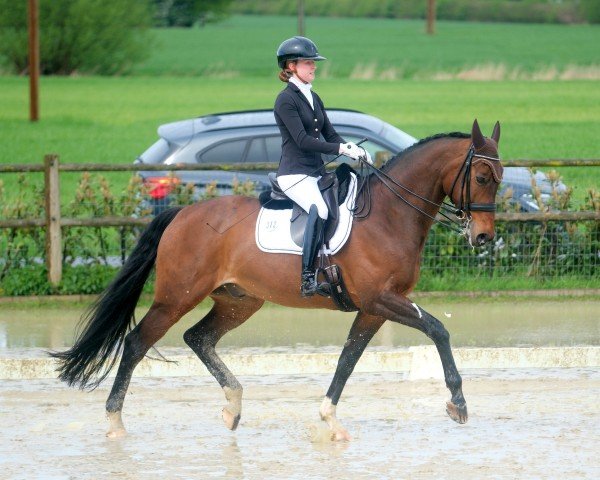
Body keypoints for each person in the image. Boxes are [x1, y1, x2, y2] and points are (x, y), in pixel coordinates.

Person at [274, 36, 370, 297]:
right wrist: (339, 150)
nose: (314, 67)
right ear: (291, 66)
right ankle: (307, 277)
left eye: (313, 63)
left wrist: (353, 150)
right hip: (294, 174)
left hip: (315, 173)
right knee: (320, 211)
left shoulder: (313, 97)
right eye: (308, 63)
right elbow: (303, 141)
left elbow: (330, 135)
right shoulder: (286, 100)